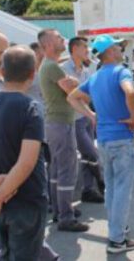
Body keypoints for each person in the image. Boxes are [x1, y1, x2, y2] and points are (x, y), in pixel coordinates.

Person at [0, 30, 58, 261]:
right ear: (32, 73)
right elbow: (26, 163)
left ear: (3, 71)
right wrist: (0, 195)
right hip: (26, 200)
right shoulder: (31, 108)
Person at [67, 34, 134, 254]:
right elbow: (130, 91)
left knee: (111, 189)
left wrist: (91, 115)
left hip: (104, 140)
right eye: (117, 47)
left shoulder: (96, 77)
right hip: (122, 139)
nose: (120, 49)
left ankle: (118, 231)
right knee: (122, 190)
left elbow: (71, 97)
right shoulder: (121, 71)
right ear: (110, 52)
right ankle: (117, 240)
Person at [38, 29, 88, 232]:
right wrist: (79, 85)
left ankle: (59, 209)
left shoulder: (49, 66)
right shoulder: (53, 68)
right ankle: (66, 216)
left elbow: (70, 85)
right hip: (61, 123)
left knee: (57, 168)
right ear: (49, 44)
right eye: (59, 38)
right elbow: (73, 92)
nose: (63, 40)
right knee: (67, 169)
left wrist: (73, 82)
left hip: (54, 123)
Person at [61, 37, 104, 204]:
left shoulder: (85, 71)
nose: (87, 50)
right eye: (84, 47)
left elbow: (86, 95)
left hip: (86, 117)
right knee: (92, 153)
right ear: (74, 49)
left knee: (87, 156)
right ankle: (103, 182)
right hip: (75, 119)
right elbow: (73, 95)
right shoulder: (64, 70)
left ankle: (88, 190)